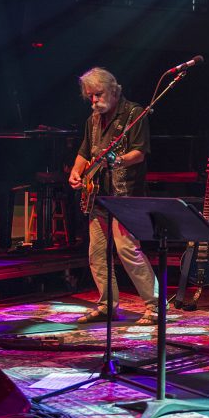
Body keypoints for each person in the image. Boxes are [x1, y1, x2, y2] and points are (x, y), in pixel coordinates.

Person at [67, 67, 160, 325]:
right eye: (90, 96)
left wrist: (116, 161)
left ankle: (155, 306)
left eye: (98, 94)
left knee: (128, 250)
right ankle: (107, 305)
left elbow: (139, 153)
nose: (94, 100)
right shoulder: (93, 119)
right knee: (96, 253)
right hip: (98, 196)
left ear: (114, 90)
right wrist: (75, 171)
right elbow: (84, 152)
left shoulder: (133, 113)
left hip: (125, 196)